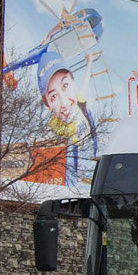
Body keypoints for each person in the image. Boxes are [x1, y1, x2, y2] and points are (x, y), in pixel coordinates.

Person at [37, 52, 99, 186]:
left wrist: (89, 63)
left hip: (95, 169)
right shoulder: (54, 130)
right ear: (48, 106)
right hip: (78, 185)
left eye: (65, 86)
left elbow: (86, 83)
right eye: (53, 97)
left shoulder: (81, 102)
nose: (64, 103)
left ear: (73, 83)